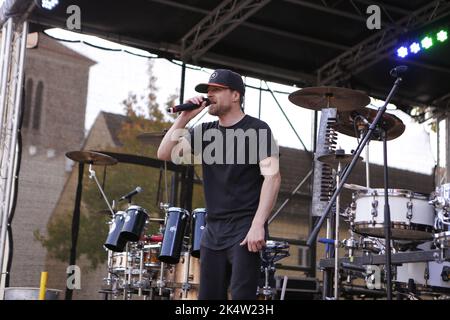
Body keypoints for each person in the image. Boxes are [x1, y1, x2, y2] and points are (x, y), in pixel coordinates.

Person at [157, 69, 281, 300]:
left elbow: (272, 178)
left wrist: (258, 225)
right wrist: (184, 118)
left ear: (235, 96)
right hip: (212, 230)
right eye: (208, 91)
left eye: (216, 90)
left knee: (242, 298)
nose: (210, 95)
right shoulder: (204, 132)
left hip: (244, 227)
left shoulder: (257, 129)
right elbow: (165, 153)